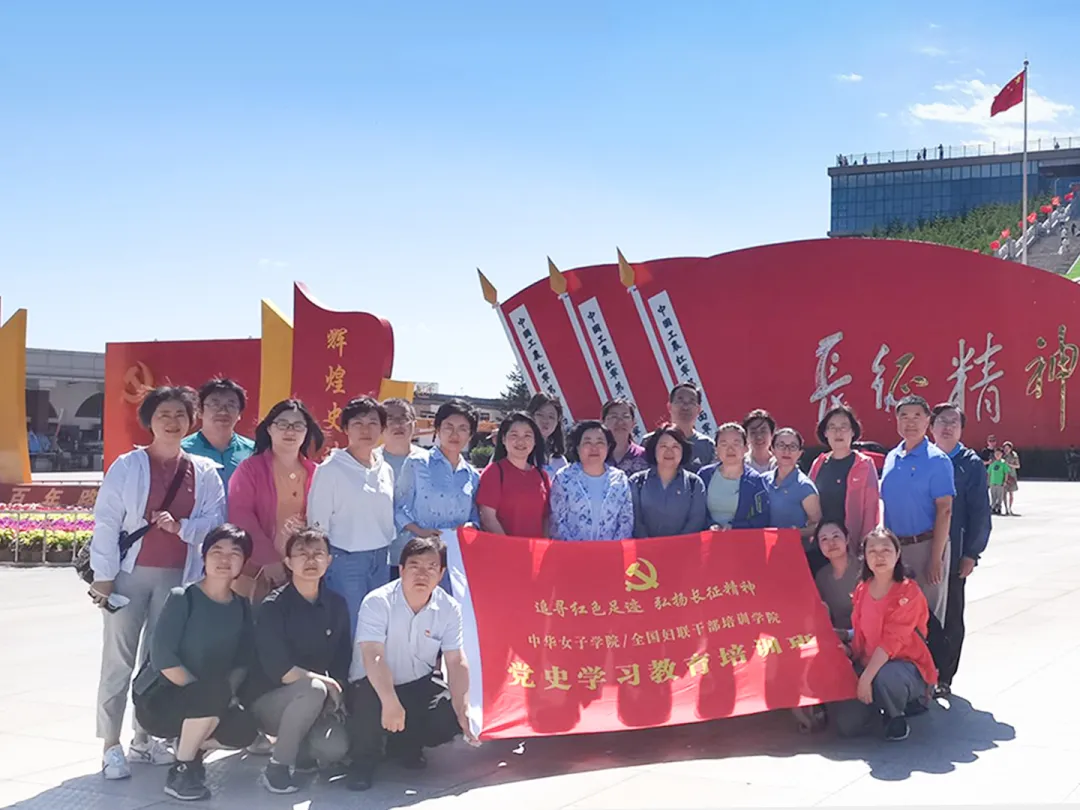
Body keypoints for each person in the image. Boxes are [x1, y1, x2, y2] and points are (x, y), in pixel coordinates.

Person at [90, 385, 227, 780]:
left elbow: (214, 523)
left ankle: (144, 737)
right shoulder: (128, 466)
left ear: (192, 421)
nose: (172, 422)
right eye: (164, 414)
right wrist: (104, 578)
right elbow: (107, 521)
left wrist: (181, 527)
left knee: (158, 661)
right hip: (129, 577)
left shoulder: (204, 471)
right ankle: (110, 745)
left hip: (178, 579)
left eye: (181, 414)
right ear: (149, 420)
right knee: (118, 661)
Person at [131, 524, 259, 800]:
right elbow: (163, 657)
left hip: (212, 699)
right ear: (204, 557)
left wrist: (226, 695)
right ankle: (181, 770)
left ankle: (194, 746)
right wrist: (203, 693)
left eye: (234, 553)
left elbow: (243, 660)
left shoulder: (241, 606)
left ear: (244, 562)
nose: (224, 559)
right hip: (162, 699)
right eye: (217, 551)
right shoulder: (183, 598)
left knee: (245, 729)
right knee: (209, 692)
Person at [345, 535, 476, 792]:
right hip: (372, 683)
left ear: (441, 573)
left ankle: (407, 745)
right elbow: (373, 655)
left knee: (450, 711)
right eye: (415, 566)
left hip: (417, 683)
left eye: (431, 567)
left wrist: (463, 707)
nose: (422, 574)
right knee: (369, 701)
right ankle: (362, 763)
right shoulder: (377, 601)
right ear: (401, 569)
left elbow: (455, 659)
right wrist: (390, 701)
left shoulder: (449, 608)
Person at [247, 527, 351, 794]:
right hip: (270, 702)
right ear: (288, 562)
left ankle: (303, 752)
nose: (310, 560)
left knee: (335, 748)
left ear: (329, 560)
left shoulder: (337, 605)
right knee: (313, 689)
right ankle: (277, 768)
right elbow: (280, 670)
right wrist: (327, 684)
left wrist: (338, 688)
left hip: (314, 701)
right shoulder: (273, 606)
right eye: (302, 554)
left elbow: (342, 658)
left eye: (318, 554)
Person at [834, 528, 938, 742]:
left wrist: (866, 678)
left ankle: (897, 714)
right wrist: (848, 651)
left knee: (887, 676)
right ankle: (876, 706)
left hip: (903, 666)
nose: (879, 556)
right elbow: (861, 635)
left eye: (886, 550)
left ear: (897, 554)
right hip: (869, 664)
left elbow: (892, 642)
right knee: (848, 725)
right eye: (872, 551)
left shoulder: (909, 592)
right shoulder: (862, 589)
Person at [308, 397, 396, 636]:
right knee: (352, 626)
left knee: (377, 625)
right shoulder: (330, 469)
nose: (366, 430)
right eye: (358, 423)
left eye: (373, 423)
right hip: (345, 560)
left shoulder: (385, 469)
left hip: (380, 558)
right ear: (345, 428)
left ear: (382, 428)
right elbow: (317, 522)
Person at [227, 400, 323, 603]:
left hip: (302, 569)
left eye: (298, 425)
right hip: (256, 569)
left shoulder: (317, 472)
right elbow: (240, 515)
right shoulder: (250, 469)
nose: (290, 431)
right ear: (269, 429)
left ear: (307, 431)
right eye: (283, 424)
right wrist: (268, 558)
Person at [929, 403, 991, 695]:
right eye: (942, 421)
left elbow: (980, 512)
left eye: (954, 422)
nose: (947, 427)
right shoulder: (922, 458)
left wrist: (971, 554)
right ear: (931, 427)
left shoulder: (970, 463)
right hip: (920, 547)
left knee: (951, 615)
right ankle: (922, 671)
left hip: (954, 552)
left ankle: (944, 676)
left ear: (962, 429)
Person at [880, 395, 955, 629]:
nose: (910, 422)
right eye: (904, 416)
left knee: (925, 618)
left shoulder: (937, 460)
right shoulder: (892, 457)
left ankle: (929, 656)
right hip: (895, 550)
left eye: (916, 416)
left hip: (925, 546)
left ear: (927, 421)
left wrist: (935, 558)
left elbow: (945, 510)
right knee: (896, 617)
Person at [396, 400, 481, 589]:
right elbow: (399, 508)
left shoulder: (472, 475)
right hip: (422, 554)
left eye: (462, 429)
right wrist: (421, 532)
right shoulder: (417, 463)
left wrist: (469, 527)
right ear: (437, 429)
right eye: (448, 427)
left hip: (458, 557)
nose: (454, 434)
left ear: (470, 435)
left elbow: (475, 516)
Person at [549, 420, 634, 541]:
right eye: (587, 442)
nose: (594, 448)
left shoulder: (619, 479)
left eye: (600, 442)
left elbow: (626, 521)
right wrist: (577, 549)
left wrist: (612, 549)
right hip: (571, 550)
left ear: (608, 447)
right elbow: (557, 521)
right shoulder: (564, 478)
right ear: (577, 447)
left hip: (610, 551)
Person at [808, 405, 880, 545]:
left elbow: (871, 509)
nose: (838, 432)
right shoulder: (819, 463)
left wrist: (865, 545)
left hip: (851, 544)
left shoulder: (864, 464)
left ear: (853, 431)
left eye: (843, 427)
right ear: (825, 433)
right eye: (832, 427)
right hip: (822, 543)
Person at [476, 412, 551, 537]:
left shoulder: (542, 476)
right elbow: (487, 518)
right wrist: (510, 546)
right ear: (503, 439)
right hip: (504, 547)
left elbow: (546, 518)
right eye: (514, 435)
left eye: (527, 436)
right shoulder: (494, 472)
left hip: (535, 548)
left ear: (535, 441)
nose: (521, 441)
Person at [629, 424, 709, 538]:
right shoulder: (637, 482)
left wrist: (674, 545)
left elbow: (696, 520)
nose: (669, 451)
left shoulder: (694, 483)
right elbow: (635, 520)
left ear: (683, 450)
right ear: (654, 449)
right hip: (644, 547)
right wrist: (649, 544)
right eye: (663, 446)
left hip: (684, 547)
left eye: (675, 446)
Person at [379, 398, 428, 579]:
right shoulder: (370, 462)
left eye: (404, 417)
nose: (398, 424)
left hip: (422, 556)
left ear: (414, 424)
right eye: (390, 418)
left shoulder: (430, 461)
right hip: (380, 557)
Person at [181, 378, 255, 493]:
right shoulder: (182, 451)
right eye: (215, 404)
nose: (223, 411)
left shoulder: (254, 452)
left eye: (231, 405)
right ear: (199, 411)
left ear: (240, 414)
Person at [699, 423, 770, 530]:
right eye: (724, 444)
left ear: (746, 448)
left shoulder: (754, 480)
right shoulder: (704, 475)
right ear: (716, 448)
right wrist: (710, 525)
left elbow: (763, 517)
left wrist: (735, 527)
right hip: (708, 536)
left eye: (736, 444)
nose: (730, 449)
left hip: (740, 537)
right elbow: (695, 512)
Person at [763, 428, 821, 559]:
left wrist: (797, 532)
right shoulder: (763, 480)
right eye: (781, 445)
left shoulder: (805, 487)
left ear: (800, 453)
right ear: (772, 450)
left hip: (794, 552)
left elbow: (817, 525)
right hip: (764, 549)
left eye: (793, 446)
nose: (786, 451)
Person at [813, 521, 860, 634]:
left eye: (836, 536)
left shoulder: (864, 569)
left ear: (847, 539)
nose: (831, 543)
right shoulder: (821, 576)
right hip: (835, 637)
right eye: (824, 539)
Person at [657, 383, 715, 472]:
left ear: (699, 409)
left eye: (691, 402)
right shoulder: (652, 440)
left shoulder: (707, 445)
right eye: (680, 400)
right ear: (669, 406)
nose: (685, 407)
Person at [602, 398, 648, 476]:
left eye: (625, 417)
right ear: (603, 422)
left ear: (633, 422)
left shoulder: (645, 456)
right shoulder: (596, 456)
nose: (620, 422)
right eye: (614, 417)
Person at [527, 393, 568, 479]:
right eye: (540, 415)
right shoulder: (517, 452)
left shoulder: (559, 461)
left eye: (551, 417)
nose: (545, 420)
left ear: (557, 422)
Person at [743, 409, 777, 474]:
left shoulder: (780, 463)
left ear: (772, 434)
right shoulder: (740, 463)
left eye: (763, 431)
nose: (759, 437)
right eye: (753, 432)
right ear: (746, 436)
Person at [1001, 441, 1021, 515]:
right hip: (1003, 475)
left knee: (1011, 493)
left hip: (1012, 475)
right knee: (1004, 493)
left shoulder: (1014, 455)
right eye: (1005, 448)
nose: (1006, 450)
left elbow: (1018, 466)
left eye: (1008, 448)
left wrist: (1009, 465)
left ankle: (1010, 508)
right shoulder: (1002, 455)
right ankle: (1006, 508)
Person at [987, 448, 1009, 514]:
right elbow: (989, 473)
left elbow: (1006, 473)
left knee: (1000, 497)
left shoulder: (1003, 463)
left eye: (999, 454)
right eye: (996, 454)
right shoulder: (992, 463)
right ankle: (993, 508)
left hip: (1000, 483)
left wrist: (1005, 481)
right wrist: (988, 481)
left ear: (1001, 454)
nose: (997, 455)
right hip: (993, 482)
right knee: (993, 496)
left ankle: (999, 508)